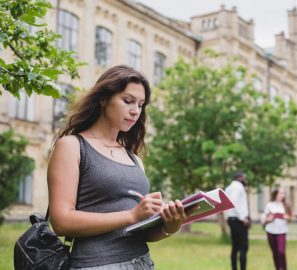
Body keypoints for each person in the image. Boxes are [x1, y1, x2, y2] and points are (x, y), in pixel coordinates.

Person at [47, 65, 192, 269]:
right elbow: (62, 221)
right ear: (104, 99)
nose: (135, 111)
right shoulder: (72, 146)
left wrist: (170, 225)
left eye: (141, 105)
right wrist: (132, 215)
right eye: (128, 101)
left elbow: (141, 231)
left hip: (142, 262)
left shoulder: (134, 158)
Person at [225, 172, 250, 270]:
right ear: (240, 178)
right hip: (238, 220)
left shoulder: (229, 187)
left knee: (235, 246)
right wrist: (242, 217)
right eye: (245, 178)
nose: (246, 180)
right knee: (244, 247)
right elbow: (234, 202)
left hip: (232, 219)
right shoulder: (238, 187)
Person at [262, 188, 291, 270]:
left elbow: (290, 218)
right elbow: (265, 219)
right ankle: (278, 268)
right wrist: (269, 219)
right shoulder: (269, 205)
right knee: (275, 253)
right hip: (270, 231)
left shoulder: (286, 205)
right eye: (280, 193)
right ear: (275, 194)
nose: (282, 195)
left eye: (283, 193)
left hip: (282, 231)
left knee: (281, 252)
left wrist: (286, 217)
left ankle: (284, 268)